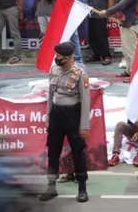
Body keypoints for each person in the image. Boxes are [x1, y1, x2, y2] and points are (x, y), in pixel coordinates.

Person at [41, 41, 91, 203]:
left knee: (78, 152)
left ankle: (82, 188)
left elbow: (85, 101)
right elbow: (50, 95)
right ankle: (51, 187)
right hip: (56, 114)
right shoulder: (54, 70)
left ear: (69, 58)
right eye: (56, 56)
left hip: (73, 115)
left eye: (60, 57)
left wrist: (84, 126)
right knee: (53, 151)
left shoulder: (80, 74)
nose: (57, 59)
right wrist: (48, 117)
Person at [103, 0, 138, 78]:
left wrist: (107, 12)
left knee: (131, 52)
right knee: (126, 50)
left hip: (130, 25)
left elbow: (121, 5)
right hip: (126, 23)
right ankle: (128, 71)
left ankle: (133, 74)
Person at [85, 0, 113, 64]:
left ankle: (107, 56)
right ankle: (97, 54)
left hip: (100, 14)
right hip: (91, 13)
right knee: (92, 36)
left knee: (101, 36)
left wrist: (108, 11)